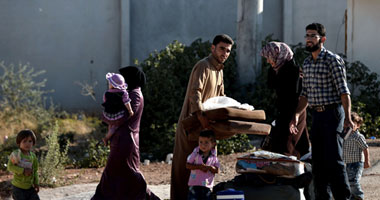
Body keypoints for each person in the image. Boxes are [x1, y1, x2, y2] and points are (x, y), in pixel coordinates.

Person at [289, 23, 353, 200]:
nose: (308, 39)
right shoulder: (307, 63)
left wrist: (348, 117)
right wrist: (295, 115)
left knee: (334, 160)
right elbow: (305, 95)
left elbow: (343, 91)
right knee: (317, 162)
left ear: (322, 39)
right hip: (316, 115)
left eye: (313, 36)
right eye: (307, 35)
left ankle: (343, 197)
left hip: (333, 114)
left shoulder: (332, 60)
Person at [171, 34, 234, 200]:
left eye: (228, 51)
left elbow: (221, 98)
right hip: (191, 125)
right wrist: (200, 116)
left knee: (206, 171)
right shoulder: (203, 65)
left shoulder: (219, 70)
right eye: (222, 49)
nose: (225, 54)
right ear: (212, 48)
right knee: (185, 170)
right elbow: (195, 93)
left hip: (207, 128)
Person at [92, 66, 159, 200]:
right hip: (122, 139)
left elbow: (122, 117)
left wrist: (105, 116)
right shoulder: (131, 93)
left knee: (126, 172)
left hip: (126, 140)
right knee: (116, 173)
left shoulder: (134, 95)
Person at [261, 41, 310, 158]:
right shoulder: (277, 68)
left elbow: (299, 96)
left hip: (294, 112)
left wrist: (295, 117)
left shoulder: (294, 71)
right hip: (283, 112)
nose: (268, 61)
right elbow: (271, 85)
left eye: (270, 58)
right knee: (290, 146)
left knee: (285, 147)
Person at [343, 112, 371, 200]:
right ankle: (352, 197)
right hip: (347, 163)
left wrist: (367, 161)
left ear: (358, 125)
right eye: (346, 123)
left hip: (357, 163)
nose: (348, 125)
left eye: (352, 123)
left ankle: (359, 196)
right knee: (348, 182)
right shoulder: (344, 135)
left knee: (354, 181)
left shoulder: (358, 136)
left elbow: (365, 148)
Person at [101, 72, 134, 145]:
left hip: (108, 113)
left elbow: (105, 101)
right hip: (118, 114)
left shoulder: (106, 93)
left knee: (110, 125)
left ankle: (108, 137)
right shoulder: (123, 93)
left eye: (109, 83)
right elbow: (127, 103)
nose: (109, 85)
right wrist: (130, 110)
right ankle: (106, 138)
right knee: (115, 126)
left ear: (112, 85)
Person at [186, 130, 219, 200]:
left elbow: (217, 170)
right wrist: (199, 167)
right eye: (201, 142)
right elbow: (188, 165)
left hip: (207, 186)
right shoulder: (195, 153)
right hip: (194, 185)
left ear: (213, 144)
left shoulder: (214, 156)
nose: (203, 145)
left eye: (206, 142)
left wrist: (209, 168)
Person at [7, 129, 40, 200]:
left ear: (33, 142)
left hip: (30, 187)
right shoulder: (16, 154)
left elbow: (35, 170)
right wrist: (23, 171)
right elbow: (10, 167)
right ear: (19, 143)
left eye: (30, 141)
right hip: (18, 188)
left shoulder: (33, 156)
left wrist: (36, 183)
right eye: (24, 141)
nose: (27, 144)